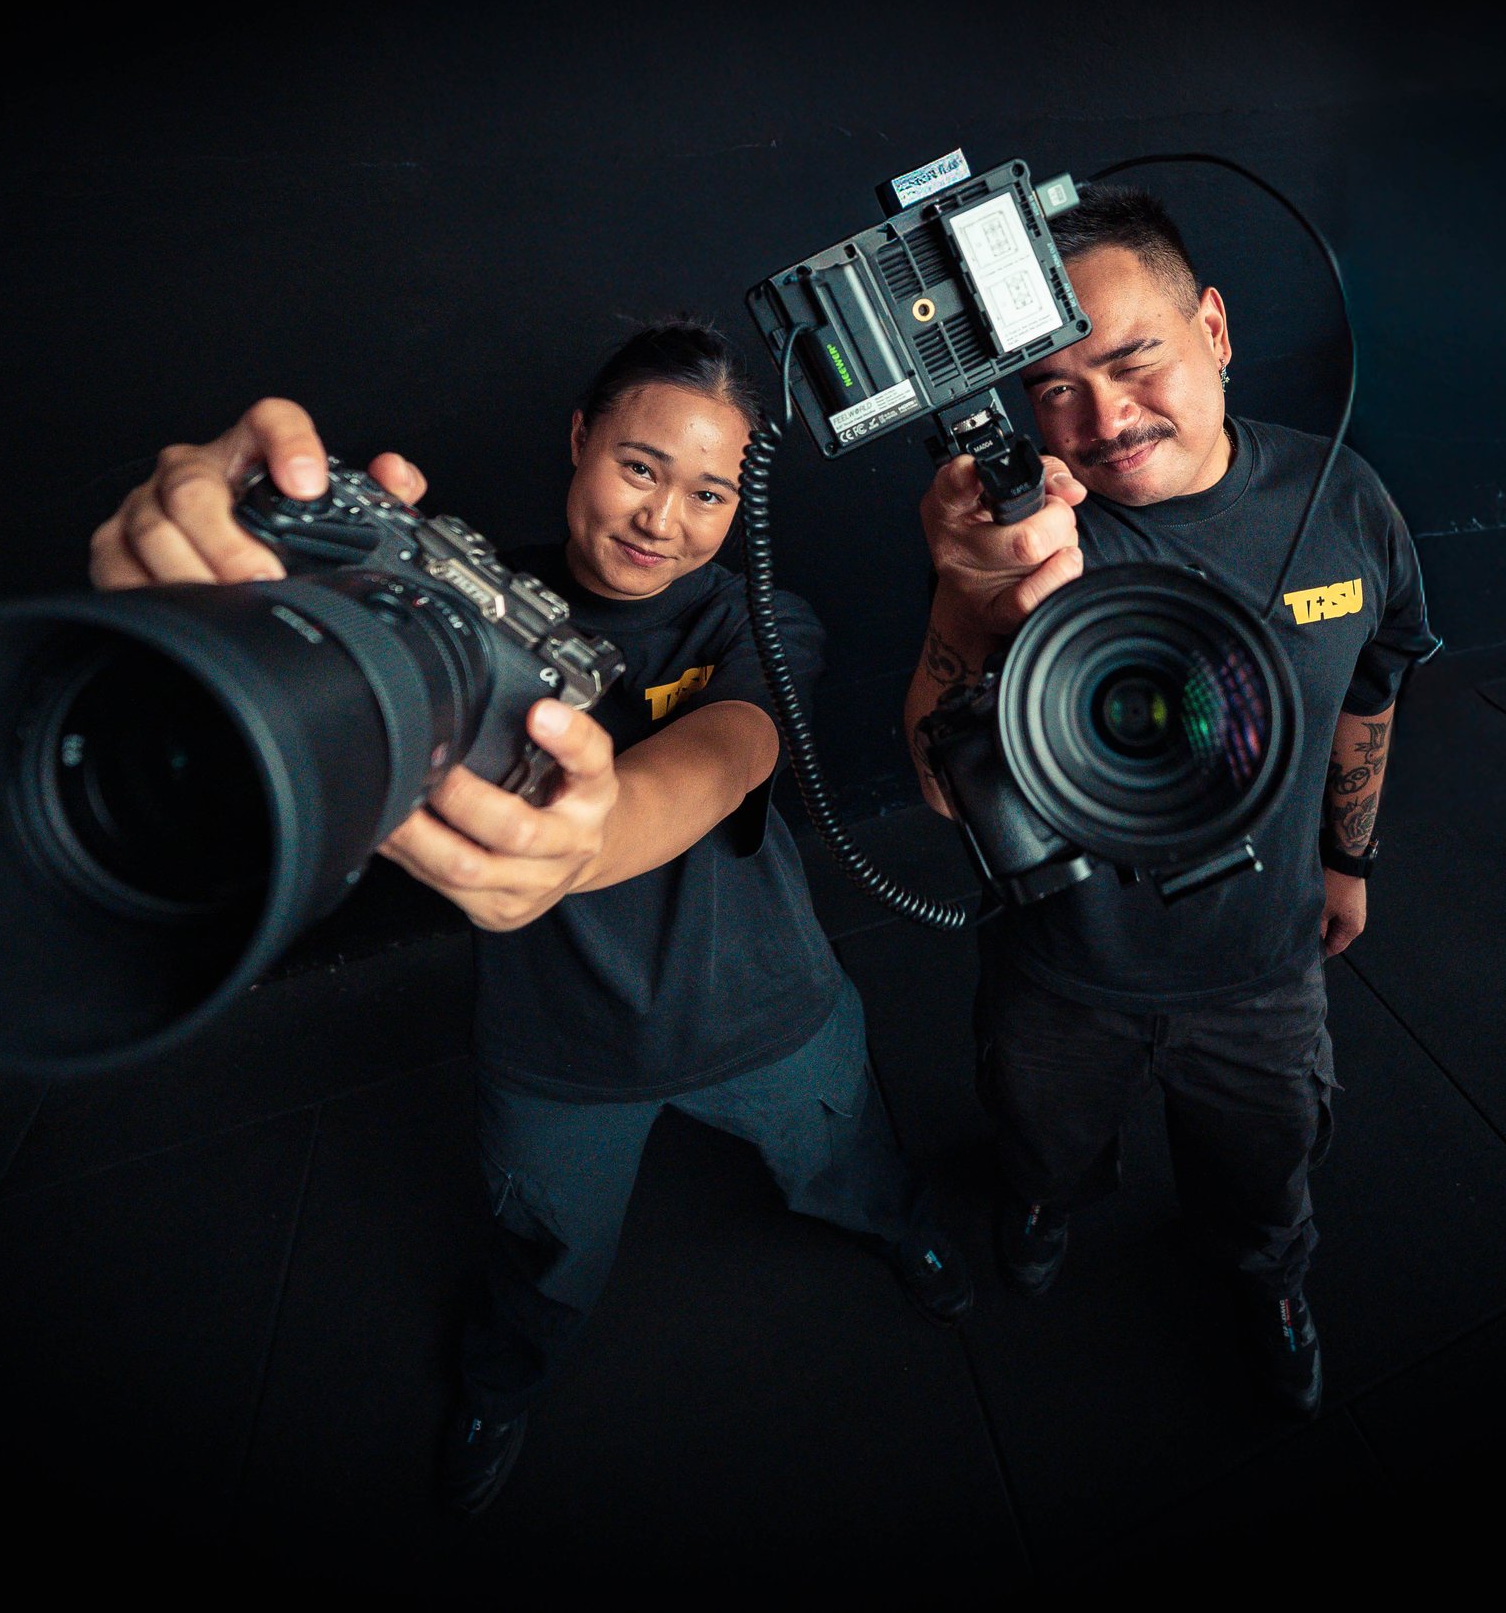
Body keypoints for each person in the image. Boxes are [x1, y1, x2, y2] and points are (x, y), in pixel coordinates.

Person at [92, 319, 970, 1517]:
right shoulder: (452, 612)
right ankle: (501, 1385)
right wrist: (219, 581)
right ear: (579, 440)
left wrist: (590, 837)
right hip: (556, 1050)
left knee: (849, 1162)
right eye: (640, 466)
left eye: (709, 492)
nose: (662, 518)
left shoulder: (757, 618)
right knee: (545, 1262)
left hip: (771, 1010)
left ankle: (904, 1231)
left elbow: (736, 746)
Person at [901, 187, 1441, 1417]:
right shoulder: (1023, 543)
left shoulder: (1342, 498)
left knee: (1265, 1180)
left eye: (1132, 359)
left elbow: (1372, 686)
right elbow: (939, 789)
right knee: (1041, 1143)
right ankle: (1041, 1204)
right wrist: (963, 597)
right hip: (1061, 970)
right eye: (1052, 387)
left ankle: (1270, 1282)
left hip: (1263, 966)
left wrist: (1347, 857)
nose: (1100, 419)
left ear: (1213, 327)